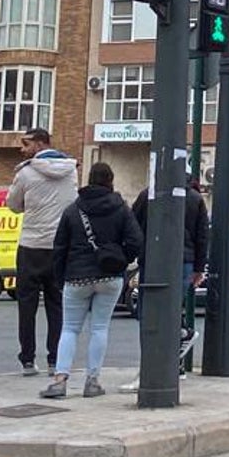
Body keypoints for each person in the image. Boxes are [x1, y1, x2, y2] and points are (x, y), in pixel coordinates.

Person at [40, 163, 141, 399]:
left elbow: (59, 247)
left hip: (76, 277)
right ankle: (92, 381)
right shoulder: (121, 209)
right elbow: (136, 241)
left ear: (89, 179)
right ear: (111, 180)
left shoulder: (74, 209)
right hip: (110, 276)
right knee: (99, 328)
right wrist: (121, 259)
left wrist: (61, 277)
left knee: (70, 328)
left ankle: (60, 380)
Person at [7, 127, 78, 376]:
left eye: (26, 144)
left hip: (31, 246)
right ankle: (54, 358)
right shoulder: (72, 171)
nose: (21, 149)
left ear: (38, 144)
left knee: (26, 305)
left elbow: (13, 205)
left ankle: (27, 359)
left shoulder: (26, 173)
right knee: (57, 305)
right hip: (59, 247)